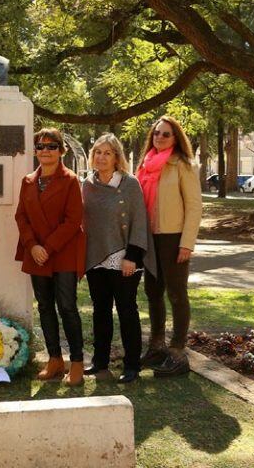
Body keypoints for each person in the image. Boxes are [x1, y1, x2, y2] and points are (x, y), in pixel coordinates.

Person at [15, 128, 86, 386]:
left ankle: (76, 361)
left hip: (63, 253)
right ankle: (55, 359)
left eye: (52, 146)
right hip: (36, 254)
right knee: (44, 307)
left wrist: (48, 246)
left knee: (66, 306)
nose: (46, 150)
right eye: (41, 146)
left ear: (61, 150)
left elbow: (73, 221)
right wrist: (33, 246)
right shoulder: (27, 181)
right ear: (35, 151)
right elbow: (21, 216)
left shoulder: (70, 180)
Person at [82, 133, 154, 384]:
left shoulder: (129, 183)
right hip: (96, 259)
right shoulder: (87, 184)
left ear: (116, 157)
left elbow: (139, 222)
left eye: (107, 153)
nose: (101, 157)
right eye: (97, 152)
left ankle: (132, 365)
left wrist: (132, 257)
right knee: (100, 311)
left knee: (127, 311)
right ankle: (99, 361)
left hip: (125, 258)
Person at [137, 115, 202, 377]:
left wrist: (186, 243)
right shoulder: (145, 165)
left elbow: (195, 206)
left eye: (166, 134)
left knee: (176, 294)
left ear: (176, 138)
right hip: (149, 238)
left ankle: (177, 351)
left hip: (174, 238)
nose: (160, 138)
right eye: (156, 133)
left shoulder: (182, 165)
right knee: (153, 292)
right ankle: (156, 345)